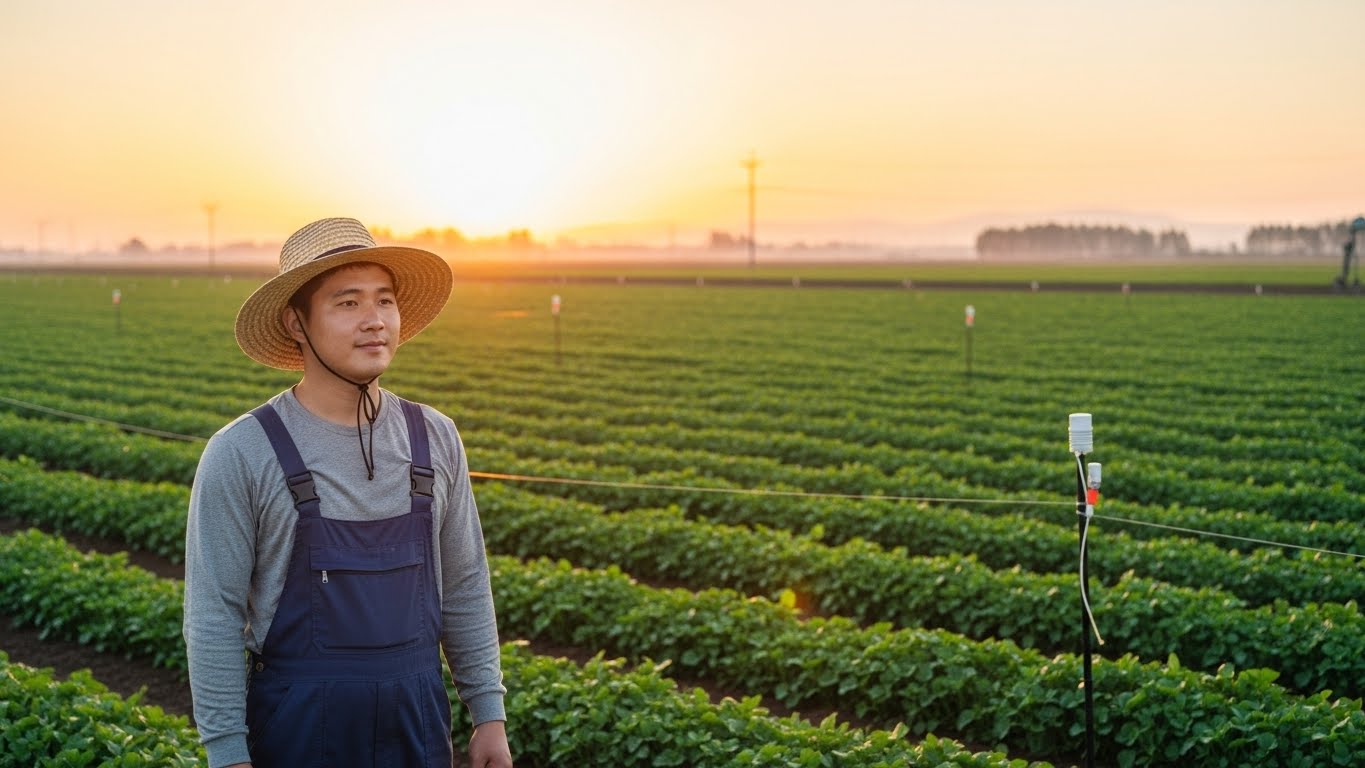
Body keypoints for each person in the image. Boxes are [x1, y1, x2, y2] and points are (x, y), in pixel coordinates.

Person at [183, 217, 512, 768]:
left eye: (385, 300)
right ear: (296, 322)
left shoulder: (435, 436)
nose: (375, 321)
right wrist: (227, 753)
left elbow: (465, 585)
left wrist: (489, 715)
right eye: (348, 303)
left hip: (417, 725)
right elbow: (213, 616)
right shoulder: (242, 452)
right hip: (297, 734)